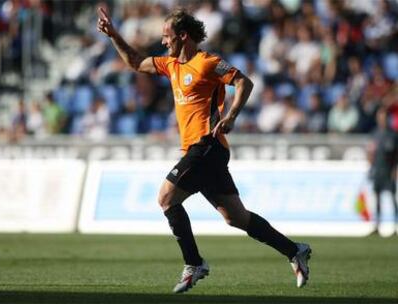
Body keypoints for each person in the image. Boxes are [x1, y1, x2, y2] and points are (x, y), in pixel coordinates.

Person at [97, 7, 311, 293]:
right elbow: (136, 62)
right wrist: (113, 35)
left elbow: (243, 82)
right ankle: (294, 250)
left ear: (183, 36)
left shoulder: (207, 62)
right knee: (236, 217)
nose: (163, 42)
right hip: (201, 150)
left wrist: (232, 115)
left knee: (166, 198)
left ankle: (194, 263)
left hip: (207, 145)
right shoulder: (171, 65)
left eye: (167, 36)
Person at [368, 108, 398, 235]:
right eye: (380, 118)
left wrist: (395, 169)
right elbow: (370, 151)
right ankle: (377, 225)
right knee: (377, 198)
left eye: (384, 118)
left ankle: (396, 226)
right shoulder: (374, 133)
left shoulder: (394, 135)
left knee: (392, 198)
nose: (382, 120)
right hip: (377, 170)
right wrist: (370, 164)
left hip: (389, 170)